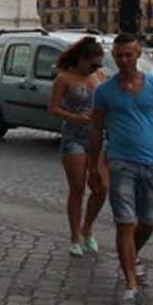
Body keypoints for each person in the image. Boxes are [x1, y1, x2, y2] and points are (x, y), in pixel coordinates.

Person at [89, 33, 153, 305]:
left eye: (128, 55)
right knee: (125, 222)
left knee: (148, 221)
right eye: (118, 55)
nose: (123, 60)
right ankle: (130, 283)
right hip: (119, 163)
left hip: (150, 162)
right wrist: (93, 167)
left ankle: (131, 258)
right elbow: (96, 130)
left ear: (138, 54)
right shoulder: (104, 90)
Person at [48, 36, 108, 256]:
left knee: (102, 187)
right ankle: (74, 235)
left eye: (98, 65)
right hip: (74, 137)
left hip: (98, 137)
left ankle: (88, 227)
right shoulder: (64, 78)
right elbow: (53, 108)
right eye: (92, 64)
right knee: (78, 188)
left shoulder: (100, 77)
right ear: (81, 59)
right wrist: (75, 117)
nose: (95, 68)